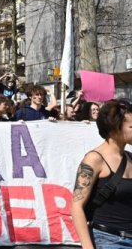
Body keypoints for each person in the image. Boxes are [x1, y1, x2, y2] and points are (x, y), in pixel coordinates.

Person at [71, 100, 132, 249]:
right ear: (115, 127)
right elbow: (76, 206)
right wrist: (87, 246)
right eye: (131, 126)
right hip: (109, 241)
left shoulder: (129, 158)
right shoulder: (94, 159)